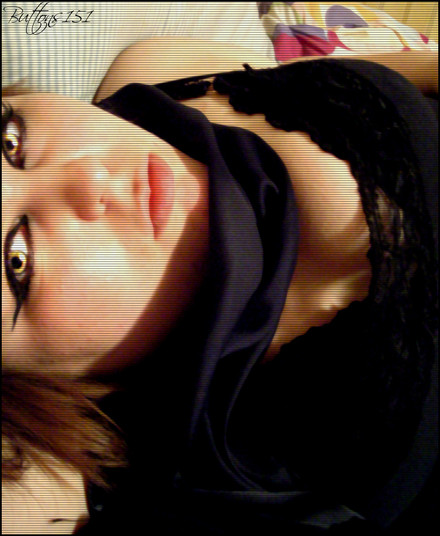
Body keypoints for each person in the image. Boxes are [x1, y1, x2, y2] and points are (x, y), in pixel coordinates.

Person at [2, 39, 438, 535]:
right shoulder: (213, 486)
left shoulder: (157, 69)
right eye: (18, 261)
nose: (87, 176)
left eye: (9, 141)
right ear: (32, 384)